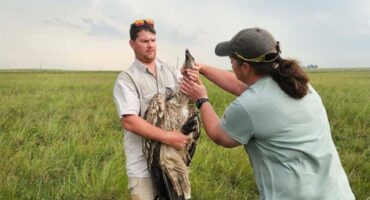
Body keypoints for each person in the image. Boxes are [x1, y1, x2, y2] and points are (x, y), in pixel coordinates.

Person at [181, 27, 355, 199]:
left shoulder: (251, 104)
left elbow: (220, 135)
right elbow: (242, 86)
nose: (231, 65)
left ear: (246, 67)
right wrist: (201, 68)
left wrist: (201, 99)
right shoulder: (297, 84)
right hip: (336, 192)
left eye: (231, 61)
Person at [113, 19, 190, 200]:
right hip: (143, 167)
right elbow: (129, 121)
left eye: (153, 40)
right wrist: (169, 137)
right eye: (144, 41)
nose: (150, 45)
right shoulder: (127, 79)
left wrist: (192, 77)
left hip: (173, 161)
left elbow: (189, 96)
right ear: (132, 44)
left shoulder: (170, 70)